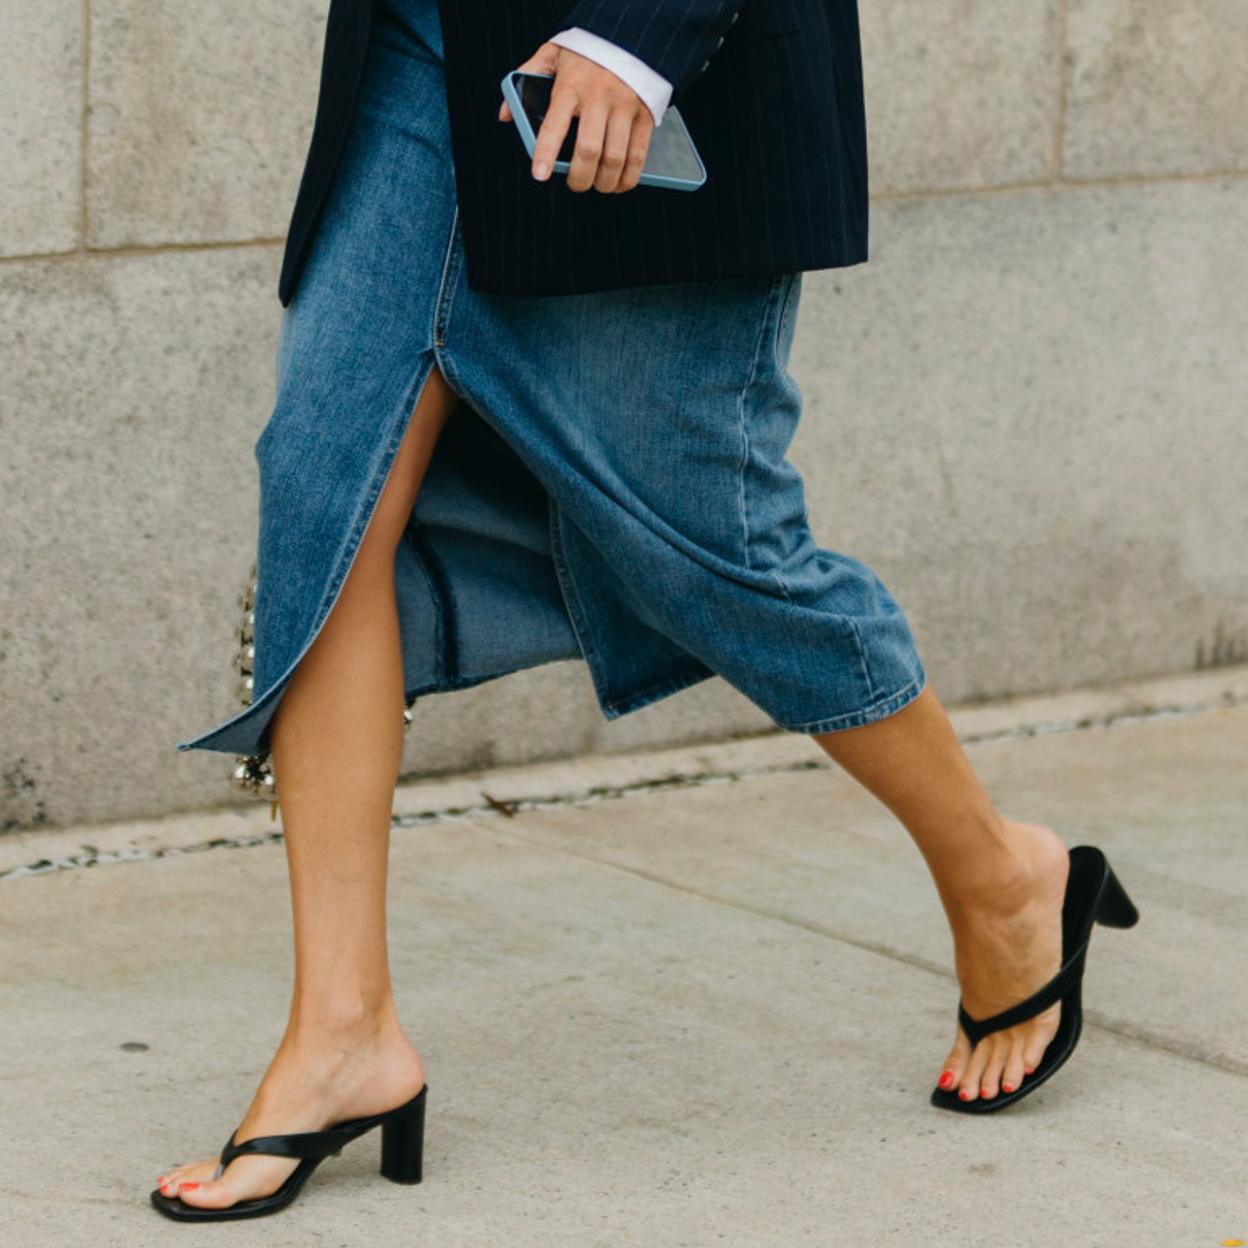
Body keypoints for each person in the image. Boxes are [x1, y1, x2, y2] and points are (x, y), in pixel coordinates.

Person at [151, 0, 1138, 1222]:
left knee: (710, 547)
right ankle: (342, 1030)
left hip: (633, 57)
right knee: (326, 492)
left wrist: (640, 28)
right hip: (420, 37)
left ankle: (1003, 875)